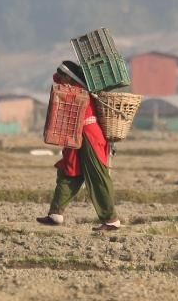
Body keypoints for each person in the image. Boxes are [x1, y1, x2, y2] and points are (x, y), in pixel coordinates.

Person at [37, 60, 121, 231]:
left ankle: (111, 219)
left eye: (63, 76)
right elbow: (56, 79)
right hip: (76, 135)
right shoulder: (72, 86)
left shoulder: (80, 90)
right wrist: (63, 73)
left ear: (69, 76)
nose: (59, 79)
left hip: (90, 136)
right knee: (69, 172)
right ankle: (55, 214)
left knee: (97, 176)